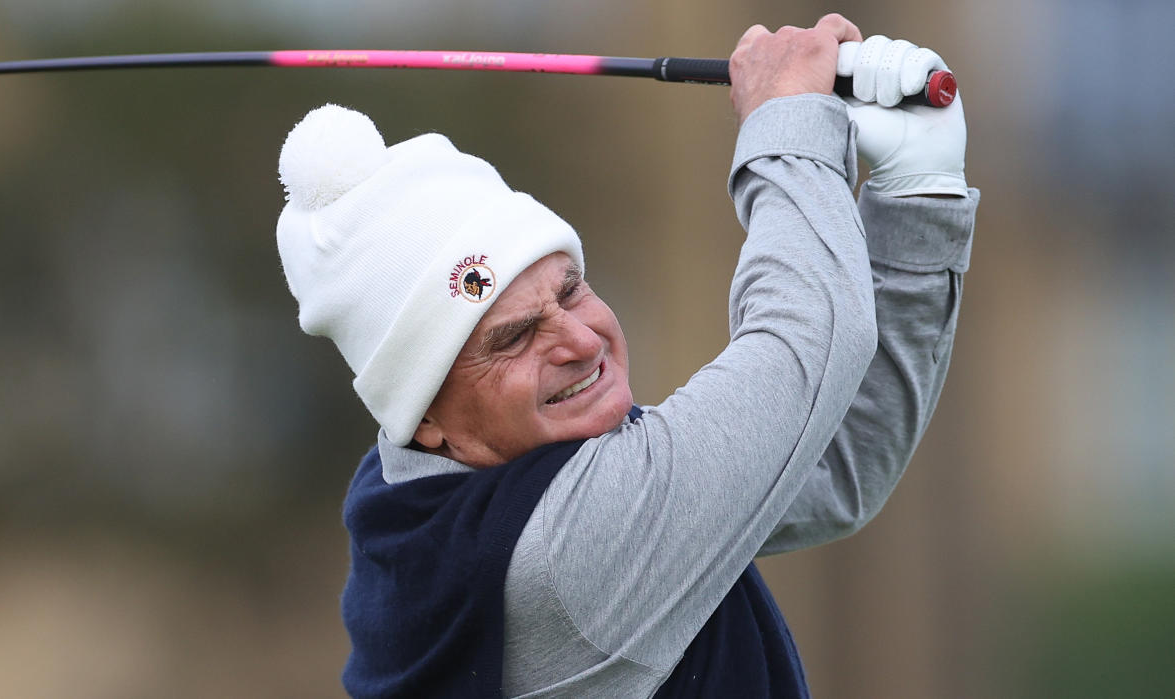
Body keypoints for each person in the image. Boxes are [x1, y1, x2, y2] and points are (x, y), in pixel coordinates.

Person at [274, 13, 978, 698]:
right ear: (427, 418)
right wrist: (787, 123)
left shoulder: (428, 501)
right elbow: (807, 341)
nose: (579, 339)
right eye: (513, 338)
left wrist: (918, 193)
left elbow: (829, 460)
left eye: (572, 290)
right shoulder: (562, 550)